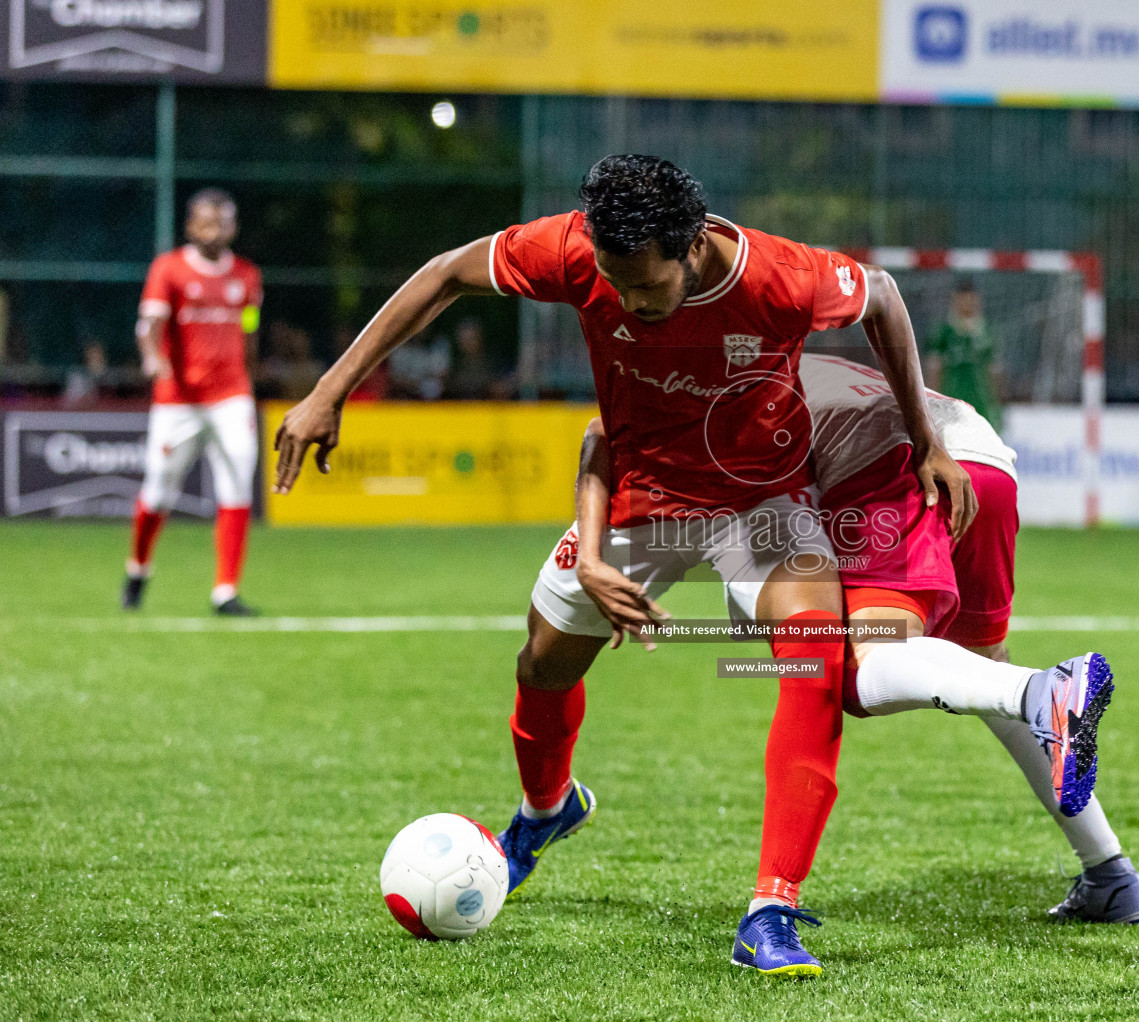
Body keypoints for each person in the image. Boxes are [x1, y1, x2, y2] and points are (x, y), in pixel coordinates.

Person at [271, 155, 977, 977]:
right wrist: (331, 391)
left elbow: (884, 297)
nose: (628, 306)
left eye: (646, 289)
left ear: (694, 247)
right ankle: (546, 809)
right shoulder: (575, 252)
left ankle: (772, 909)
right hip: (639, 495)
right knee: (542, 662)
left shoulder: (782, 277)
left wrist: (925, 436)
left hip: (762, 500)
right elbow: (443, 276)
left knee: (813, 652)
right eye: (613, 284)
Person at [582, 352, 1139, 927]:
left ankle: (1043, 692)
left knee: (851, 672)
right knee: (985, 669)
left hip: (898, 469)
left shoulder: (694, 396)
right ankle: (1111, 874)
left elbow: (628, 451)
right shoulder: (755, 349)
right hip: (982, 464)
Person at [123, 188, 263, 616]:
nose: (214, 229)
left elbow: (250, 328)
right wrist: (152, 357)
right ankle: (139, 568)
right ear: (190, 226)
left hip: (231, 396)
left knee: (238, 482)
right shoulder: (169, 269)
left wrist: (251, 376)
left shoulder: (248, 276)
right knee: (159, 490)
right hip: (178, 399)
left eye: (222, 222)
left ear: (234, 227)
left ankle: (226, 591)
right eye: (205, 222)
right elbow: (149, 324)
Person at [925, 278, 1000, 428]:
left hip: (981, 403)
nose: (967, 303)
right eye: (962, 299)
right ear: (955, 301)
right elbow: (934, 369)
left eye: (971, 299)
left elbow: (994, 370)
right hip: (951, 402)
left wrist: (996, 403)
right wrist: (931, 402)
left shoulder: (987, 331)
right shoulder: (944, 332)